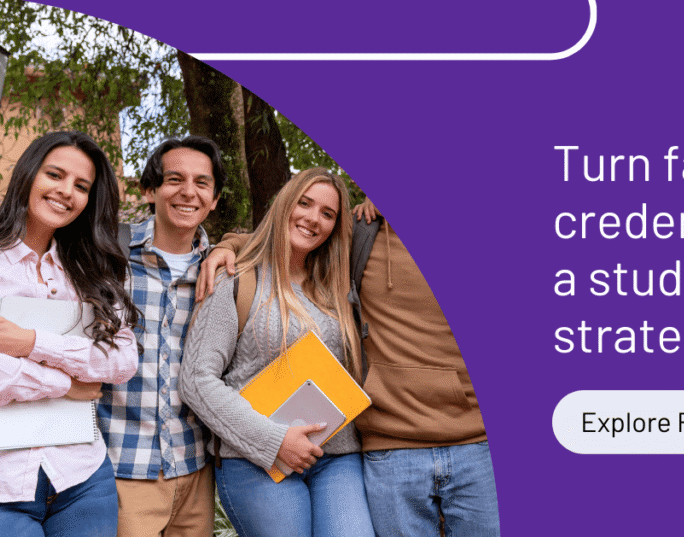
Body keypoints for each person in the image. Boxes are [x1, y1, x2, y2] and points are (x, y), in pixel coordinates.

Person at [200, 197, 501, 536]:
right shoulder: (362, 232)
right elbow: (292, 233)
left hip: (476, 442)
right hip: (390, 445)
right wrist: (227, 246)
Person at [181, 168, 375, 537]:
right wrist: (275, 441)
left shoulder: (337, 286)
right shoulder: (237, 278)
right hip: (256, 457)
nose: (313, 219)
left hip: (336, 457)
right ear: (285, 204)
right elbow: (196, 379)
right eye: (304, 203)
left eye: (327, 213)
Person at [0, 131, 139, 536]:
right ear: (28, 174)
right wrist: (65, 384)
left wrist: (31, 343)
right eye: (55, 175)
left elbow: (123, 360)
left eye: (81, 186)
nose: (66, 191)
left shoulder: (90, 269)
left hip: (83, 479)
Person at [97, 136, 223, 537]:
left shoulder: (222, 271)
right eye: (174, 179)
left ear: (215, 199)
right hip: (122, 468)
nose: (188, 192)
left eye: (202, 183)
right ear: (150, 190)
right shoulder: (108, 255)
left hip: (196, 469)